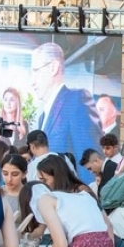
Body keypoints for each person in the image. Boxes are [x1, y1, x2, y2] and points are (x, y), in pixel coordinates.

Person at [29, 42, 102, 183]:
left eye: (36, 71)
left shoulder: (76, 100)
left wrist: (87, 193)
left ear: (53, 67)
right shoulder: (43, 117)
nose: (32, 81)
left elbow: (89, 163)